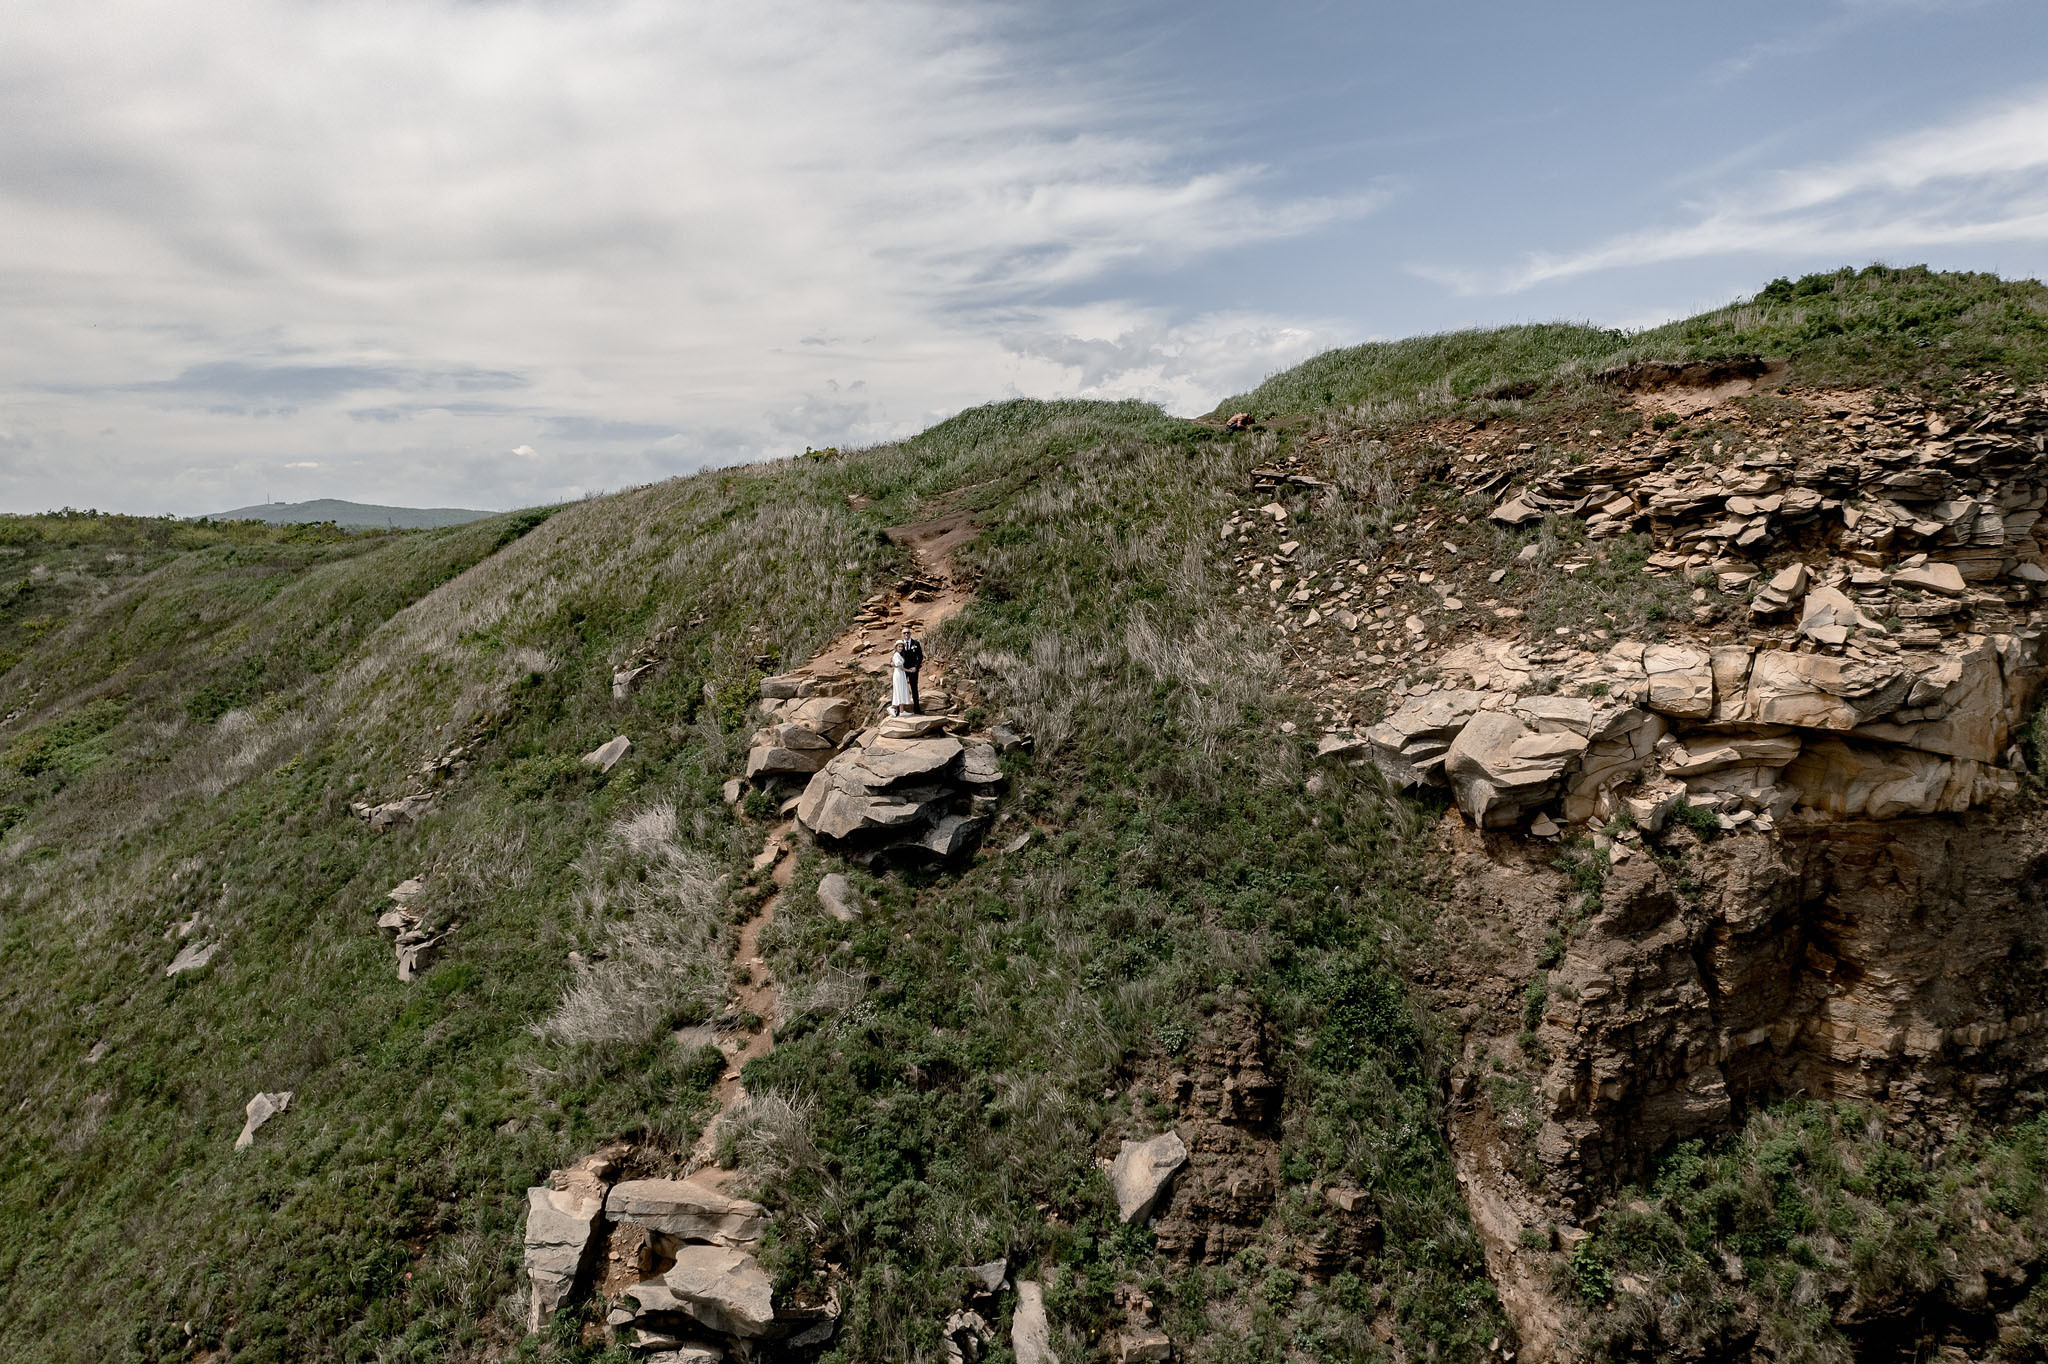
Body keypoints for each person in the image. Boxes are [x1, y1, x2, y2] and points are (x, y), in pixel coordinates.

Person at [891, 625, 923, 716]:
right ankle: (898, 710)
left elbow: (920, 657)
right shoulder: (900, 644)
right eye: (904, 633)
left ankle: (917, 709)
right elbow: (894, 656)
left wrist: (916, 667)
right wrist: (892, 663)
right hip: (902, 670)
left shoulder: (916, 643)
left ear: (910, 633)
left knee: (914, 688)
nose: (906, 634)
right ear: (902, 634)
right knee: (899, 688)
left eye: (908, 632)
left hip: (912, 670)